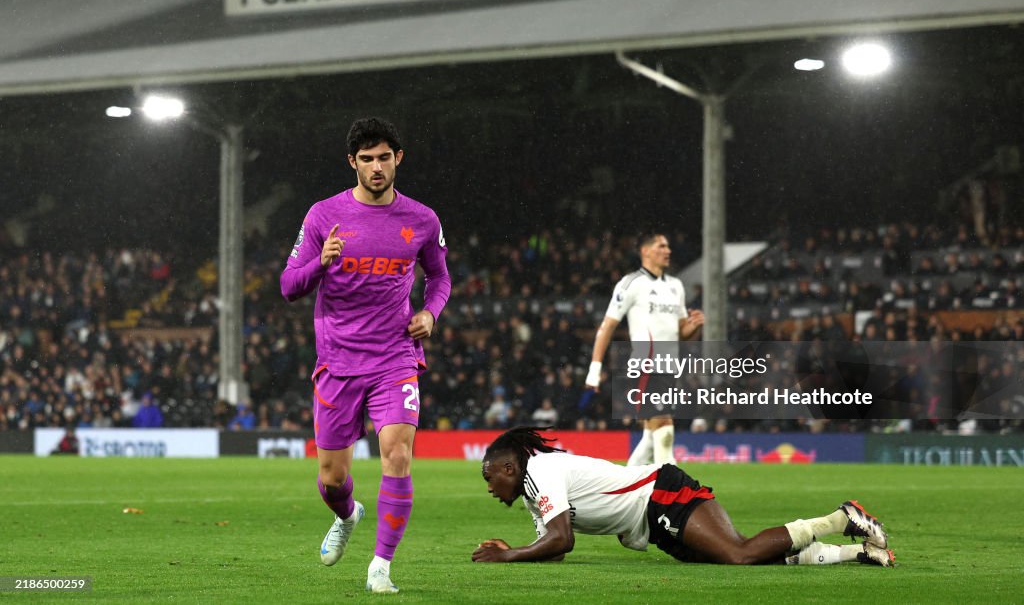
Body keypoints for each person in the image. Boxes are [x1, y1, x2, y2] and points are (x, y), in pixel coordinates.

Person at [280, 117, 451, 594]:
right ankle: (347, 514)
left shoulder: (422, 219)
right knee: (332, 479)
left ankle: (381, 566)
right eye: (367, 159)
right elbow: (289, 286)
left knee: (397, 453)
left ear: (399, 159)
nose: (377, 167)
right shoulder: (322, 216)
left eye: (384, 157)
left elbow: (440, 277)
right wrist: (322, 263)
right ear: (352, 163)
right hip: (337, 361)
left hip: (395, 357)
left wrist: (431, 313)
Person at [472, 427, 894, 568]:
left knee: (738, 554)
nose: (491, 488)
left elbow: (562, 539)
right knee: (744, 560)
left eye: (491, 478)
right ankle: (857, 555)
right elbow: (555, 551)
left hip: (661, 494)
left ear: (510, 468)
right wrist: (517, 549)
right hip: (650, 523)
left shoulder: (542, 470)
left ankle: (842, 517)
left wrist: (508, 557)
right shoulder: (532, 492)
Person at [585, 232, 704, 465]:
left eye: (668, 246)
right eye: (661, 246)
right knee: (664, 427)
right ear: (645, 251)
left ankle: (624, 488)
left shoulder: (676, 286)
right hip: (646, 364)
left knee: (652, 435)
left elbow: (683, 332)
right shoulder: (631, 284)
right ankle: (668, 490)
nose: (668, 251)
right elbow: (608, 326)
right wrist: (594, 367)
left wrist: (695, 326)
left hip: (670, 367)